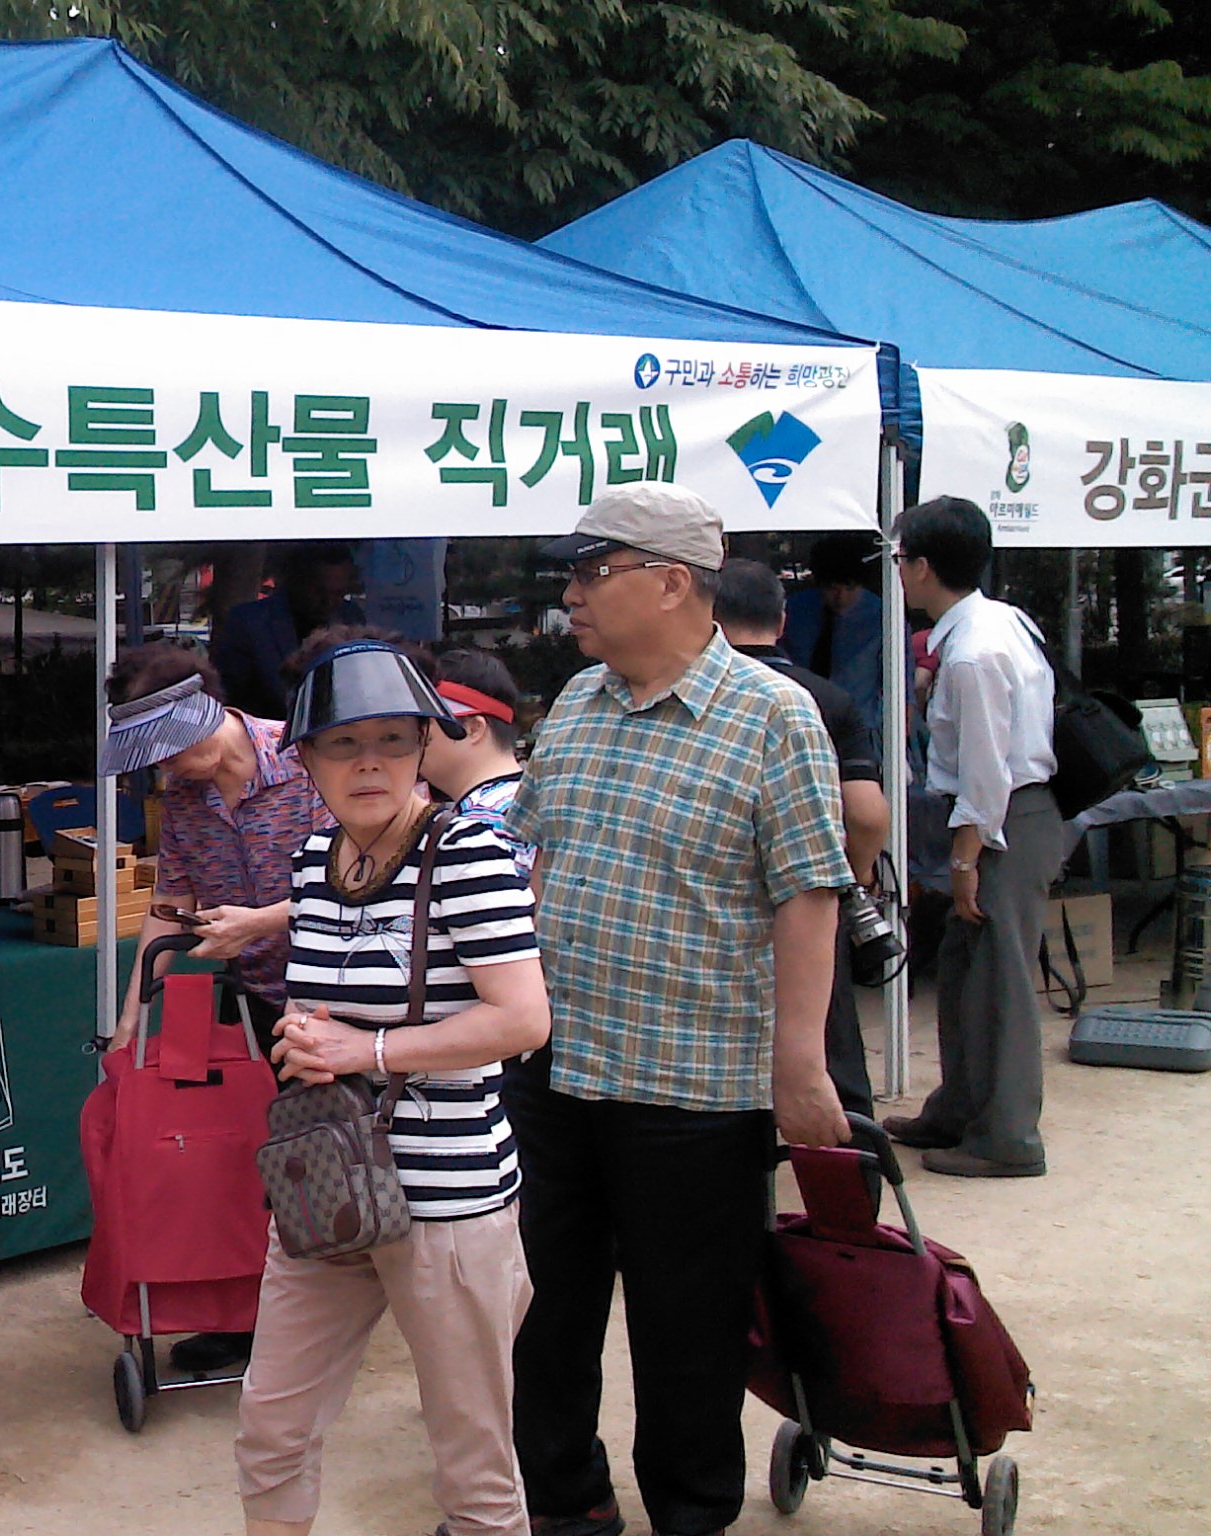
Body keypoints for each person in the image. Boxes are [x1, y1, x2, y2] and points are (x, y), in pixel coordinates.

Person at [504, 483, 850, 1536]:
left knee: (687, 1330)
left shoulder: (773, 717)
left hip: (691, 1087)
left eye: (589, 572)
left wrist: (799, 1064)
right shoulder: (577, 700)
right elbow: (533, 856)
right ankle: (565, 1504)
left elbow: (808, 893)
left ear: (669, 583)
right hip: (555, 1067)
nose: (570, 596)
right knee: (543, 1311)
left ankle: (691, 1516)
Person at [234, 638, 551, 1536]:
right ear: (306, 759)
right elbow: (318, 1004)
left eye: (391, 740)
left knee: (473, 1459)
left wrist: (365, 1050)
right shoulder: (312, 863)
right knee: (271, 1429)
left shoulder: (467, 854)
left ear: (423, 749)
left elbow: (523, 1020)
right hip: (329, 1182)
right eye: (343, 744)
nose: (368, 763)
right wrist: (305, 1036)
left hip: (449, 1192)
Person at [103, 641, 332, 1376]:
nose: (167, 768)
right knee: (255, 1163)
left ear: (207, 710)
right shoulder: (184, 799)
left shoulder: (310, 759)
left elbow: (369, 878)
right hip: (256, 997)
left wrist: (259, 921)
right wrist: (132, 1013)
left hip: (340, 999)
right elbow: (170, 905)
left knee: (324, 1162)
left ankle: (319, 1324)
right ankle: (248, 1320)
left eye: (171, 749)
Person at [882, 498, 1061, 1178]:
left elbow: (988, 772)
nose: (898, 571)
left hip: (1002, 820)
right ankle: (958, 1108)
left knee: (999, 982)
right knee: (963, 971)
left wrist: (966, 860)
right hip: (1000, 815)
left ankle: (1008, 1137)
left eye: (900, 559)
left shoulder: (973, 653)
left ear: (924, 567)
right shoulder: (993, 623)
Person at [715, 559, 893, 1118]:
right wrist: (855, 873)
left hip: (716, 907)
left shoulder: (699, 697)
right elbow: (867, 813)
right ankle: (848, 1164)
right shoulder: (827, 698)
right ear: (782, 620)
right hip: (810, 898)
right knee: (829, 1042)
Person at [210, 544, 364, 719]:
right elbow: (228, 695)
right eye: (319, 591)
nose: (328, 601)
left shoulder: (351, 616)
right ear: (297, 582)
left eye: (338, 593)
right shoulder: (249, 622)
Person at [419, 647, 532, 876]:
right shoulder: (527, 802)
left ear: (473, 728)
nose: (412, 738)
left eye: (424, 726)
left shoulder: (481, 825)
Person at [781, 530, 891, 735]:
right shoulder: (796, 611)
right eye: (831, 588)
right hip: (802, 720)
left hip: (859, 727)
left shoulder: (884, 617)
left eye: (849, 588)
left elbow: (901, 685)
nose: (840, 597)